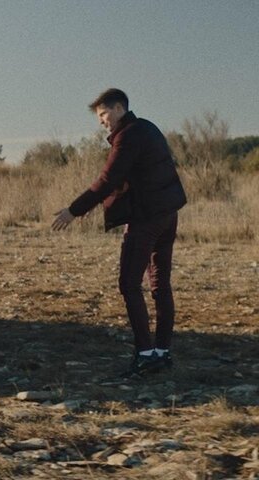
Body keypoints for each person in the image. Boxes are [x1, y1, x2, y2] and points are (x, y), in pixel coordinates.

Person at [52, 88, 187, 378]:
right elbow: (132, 177)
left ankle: (145, 355)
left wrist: (73, 210)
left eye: (102, 115)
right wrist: (99, 203)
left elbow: (107, 179)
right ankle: (162, 352)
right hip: (167, 215)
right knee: (160, 284)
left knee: (129, 284)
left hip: (146, 219)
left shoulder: (128, 136)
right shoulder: (148, 128)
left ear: (117, 109)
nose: (101, 121)